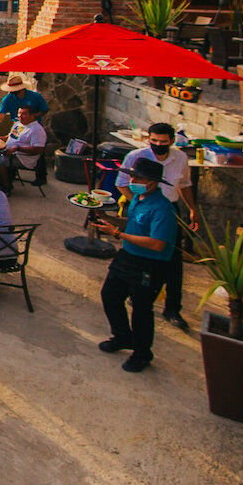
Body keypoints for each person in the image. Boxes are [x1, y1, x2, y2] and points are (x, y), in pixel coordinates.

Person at [92, 158, 178, 373]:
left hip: (149, 263)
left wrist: (118, 234)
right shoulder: (139, 199)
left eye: (139, 178)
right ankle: (122, 336)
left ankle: (142, 353)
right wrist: (107, 219)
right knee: (110, 295)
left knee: (141, 309)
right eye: (133, 176)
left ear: (153, 182)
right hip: (127, 256)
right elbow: (133, 225)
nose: (134, 180)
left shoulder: (162, 209)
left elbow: (158, 244)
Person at [118, 122, 194, 331]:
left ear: (171, 141)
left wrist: (192, 208)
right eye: (154, 141)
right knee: (139, 256)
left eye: (163, 142)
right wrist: (139, 203)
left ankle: (172, 308)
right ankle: (139, 295)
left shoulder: (180, 159)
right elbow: (122, 183)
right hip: (142, 207)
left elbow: (185, 185)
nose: (158, 144)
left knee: (173, 262)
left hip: (168, 210)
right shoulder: (136, 157)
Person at [0, 106, 47, 189]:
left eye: (24, 114)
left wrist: (18, 148)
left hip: (23, 158)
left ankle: (6, 186)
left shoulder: (37, 130)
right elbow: (12, 137)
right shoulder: (19, 124)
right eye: (19, 113)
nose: (20, 116)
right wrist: (1, 138)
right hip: (10, 152)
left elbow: (38, 149)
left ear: (33, 115)